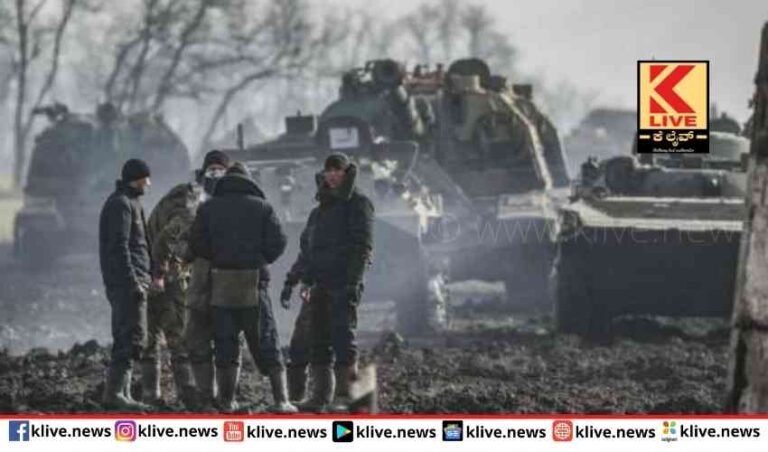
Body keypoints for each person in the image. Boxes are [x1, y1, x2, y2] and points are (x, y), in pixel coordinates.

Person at [189, 162, 296, 413]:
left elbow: (197, 244)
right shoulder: (262, 207)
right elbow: (279, 242)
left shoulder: (208, 208)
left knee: (225, 344)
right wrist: (260, 258)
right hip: (254, 283)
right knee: (266, 339)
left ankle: (227, 401)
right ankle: (281, 401)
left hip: (221, 284)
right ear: (249, 181)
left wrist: (218, 256)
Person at [281, 153, 374, 411]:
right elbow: (307, 251)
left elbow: (362, 247)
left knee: (344, 339)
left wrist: (353, 283)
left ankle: (346, 397)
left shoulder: (359, 204)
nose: (333, 175)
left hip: (343, 283)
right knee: (319, 341)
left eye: (338, 170)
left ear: (347, 173)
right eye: (329, 170)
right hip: (318, 284)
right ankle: (320, 397)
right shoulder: (319, 210)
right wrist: (292, 280)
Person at [98, 158, 152, 410]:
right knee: (128, 336)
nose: (148, 184)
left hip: (136, 281)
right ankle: (116, 394)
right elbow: (119, 248)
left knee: (134, 337)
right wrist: (134, 283)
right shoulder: (120, 204)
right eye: (145, 178)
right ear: (136, 178)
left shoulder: (131, 202)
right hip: (127, 285)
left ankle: (124, 394)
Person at [140, 182, 200, 407]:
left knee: (151, 336)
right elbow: (164, 241)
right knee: (178, 335)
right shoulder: (186, 211)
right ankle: (187, 393)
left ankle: (150, 394)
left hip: (151, 276)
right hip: (168, 280)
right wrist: (161, 274)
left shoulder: (168, 204)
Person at [183, 150, 230, 409]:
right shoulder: (193, 197)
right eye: (210, 169)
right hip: (201, 275)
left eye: (219, 168)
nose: (215, 173)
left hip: (229, 276)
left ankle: (224, 398)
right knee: (196, 337)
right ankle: (205, 394)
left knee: (227, 340)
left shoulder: (239, 196)